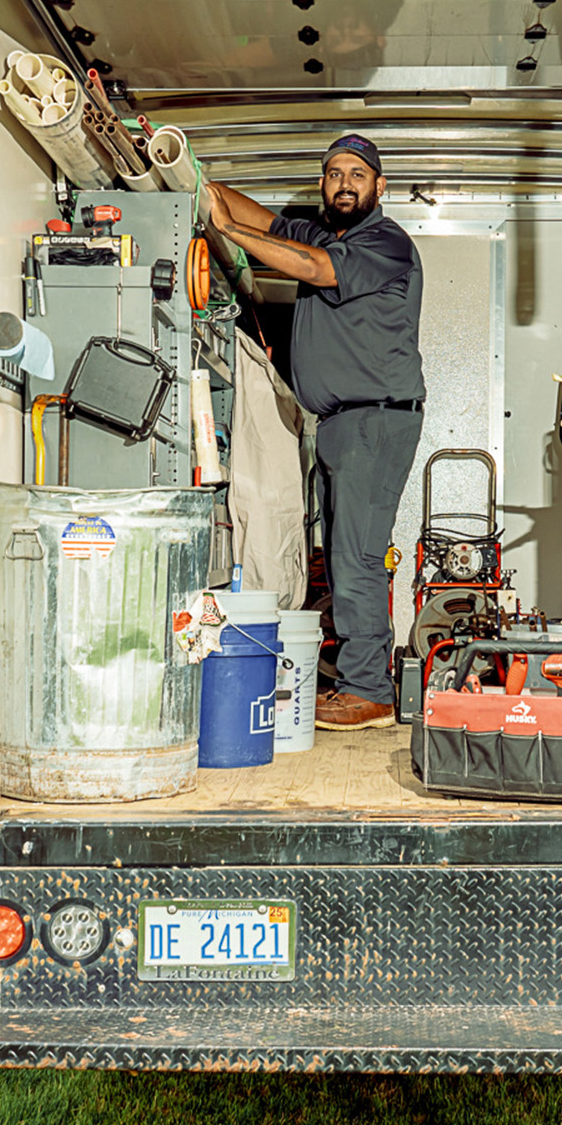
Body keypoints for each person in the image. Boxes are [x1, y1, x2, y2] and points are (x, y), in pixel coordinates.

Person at [204, 134, 424, 730]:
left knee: (355, 558)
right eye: (332, 173)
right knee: (343, 553)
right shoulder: (320, 231)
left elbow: (312, 269)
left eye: (357, 173)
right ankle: (360, 680)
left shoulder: (385, 242)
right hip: (339, 423)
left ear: (379, 187)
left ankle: (369, 689)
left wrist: (230, 231)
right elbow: (257, 215)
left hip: (375, 419)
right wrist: (197, 186)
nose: (343, 182)